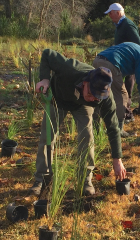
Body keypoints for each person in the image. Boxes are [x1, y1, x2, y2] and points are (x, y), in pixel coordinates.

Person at [30, 49, 126, 196]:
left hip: (82, 106)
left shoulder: (105, 99)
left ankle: (85, 180)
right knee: (47, 137)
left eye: (97, 98)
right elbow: (47, 54)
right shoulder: (70, 68)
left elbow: (113, 127)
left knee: (87, 137)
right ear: (85, 82)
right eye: (90, 94)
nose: (93, 98)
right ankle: (42, 179)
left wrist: (117, 159)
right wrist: (44, 78)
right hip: (58, 97)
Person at [93, 43, 140, 137]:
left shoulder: (136, 48)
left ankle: (96, 129)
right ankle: (119, 130)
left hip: (98, 60)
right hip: (110, 64)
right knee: (123, 95)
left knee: (100, 94)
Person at [105, 3, 140, 121]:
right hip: (121, 64)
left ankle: (127, 114)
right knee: (120, 89)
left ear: (118, 12)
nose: (109, 16)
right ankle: (124, 113)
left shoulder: (127, 24)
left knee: (126, 90)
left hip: (129, 63)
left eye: (110, 13)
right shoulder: (119, 25)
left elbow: (139, 45)